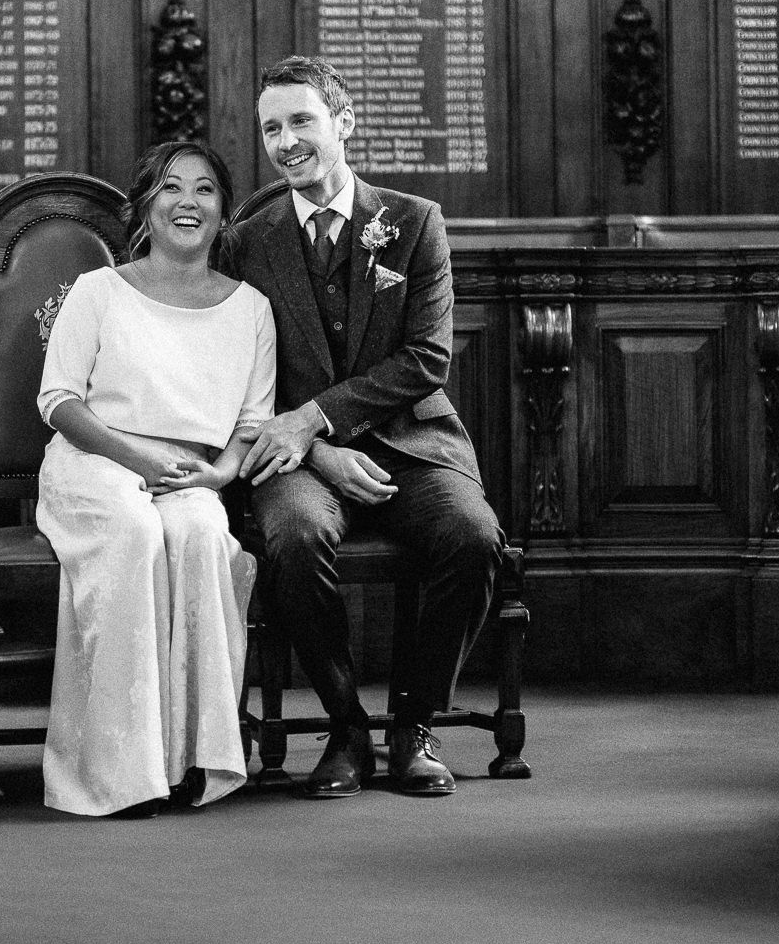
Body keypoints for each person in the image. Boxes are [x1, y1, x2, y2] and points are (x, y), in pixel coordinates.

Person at [232, 55, 507, 798]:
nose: (285, 142)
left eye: (301, 121)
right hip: (299, 460)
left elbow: (426, 358)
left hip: (411, 442)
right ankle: (347, 727)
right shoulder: (247, 243)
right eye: (270, 128)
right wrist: (317, 450)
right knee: (291, 536)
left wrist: (320, 414)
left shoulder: (414, 223)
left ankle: (414, 723)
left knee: (473, 537)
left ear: (343, 123)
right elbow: (229, 375)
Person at [34, 140, 276, 818]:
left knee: (201, 534)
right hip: (95, 463)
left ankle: (198, 758)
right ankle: (120, 769)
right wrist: (134, 460)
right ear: (145, 204)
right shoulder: (99, 290)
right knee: (137, 531)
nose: (187, 202)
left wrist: (218, 474)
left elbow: (252, 422)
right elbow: (58, 400)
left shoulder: (251, 309)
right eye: (171, 188)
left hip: (189, 473)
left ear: (224, 211)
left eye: (204, 190)